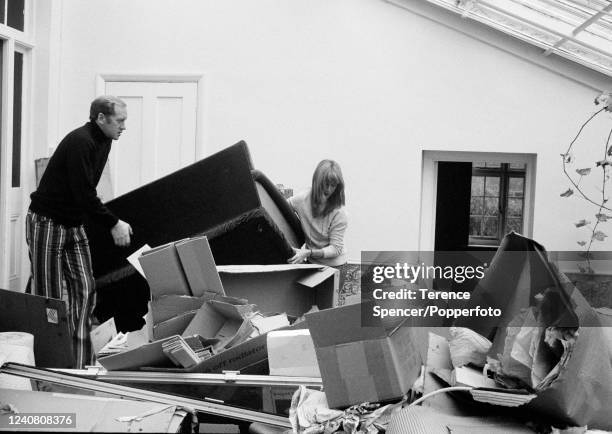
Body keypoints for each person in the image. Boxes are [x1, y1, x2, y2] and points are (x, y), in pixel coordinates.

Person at [26, 95, 132, 369]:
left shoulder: (105, 140)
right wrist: (113, 223)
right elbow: (83, 193)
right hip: (47, 222)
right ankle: (51, 365)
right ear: (100, 118)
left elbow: (85, 196)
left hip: (72, 223)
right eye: (119, 121)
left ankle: (80, 362)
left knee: (84, 288)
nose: (123, 127)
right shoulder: (80, 142)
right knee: (49, 298)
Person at [287, 160, 348, 269]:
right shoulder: (302, 199)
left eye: (333, 185)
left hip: (335, 266)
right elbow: (282, 207)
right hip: (312, 263)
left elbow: (335, 249)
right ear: (317, 181)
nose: (328, 189)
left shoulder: (339, 213)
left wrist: (308, 253)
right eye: (326, 184)